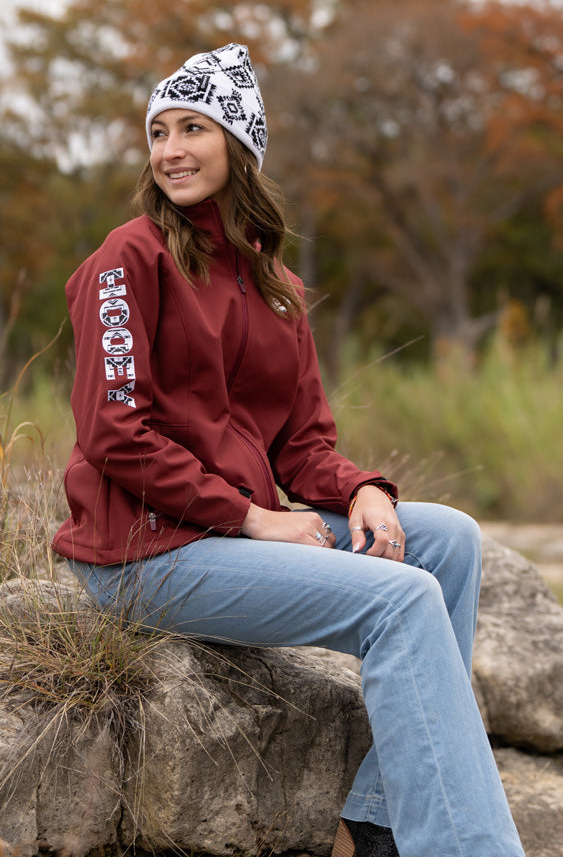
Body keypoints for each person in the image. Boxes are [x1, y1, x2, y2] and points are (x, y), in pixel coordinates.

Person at [53, 43, 525, 857]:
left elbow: (302, 443)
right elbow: (112, 433)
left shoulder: (272, 283)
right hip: (139, 554)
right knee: (399, 600)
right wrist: (250, 517)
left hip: (224, 539)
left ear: (239, 145)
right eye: (159, 132)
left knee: (446, 539)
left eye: (193, 129)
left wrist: (360, 490)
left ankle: (378, 821)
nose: (170, 151)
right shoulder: (128, 259)